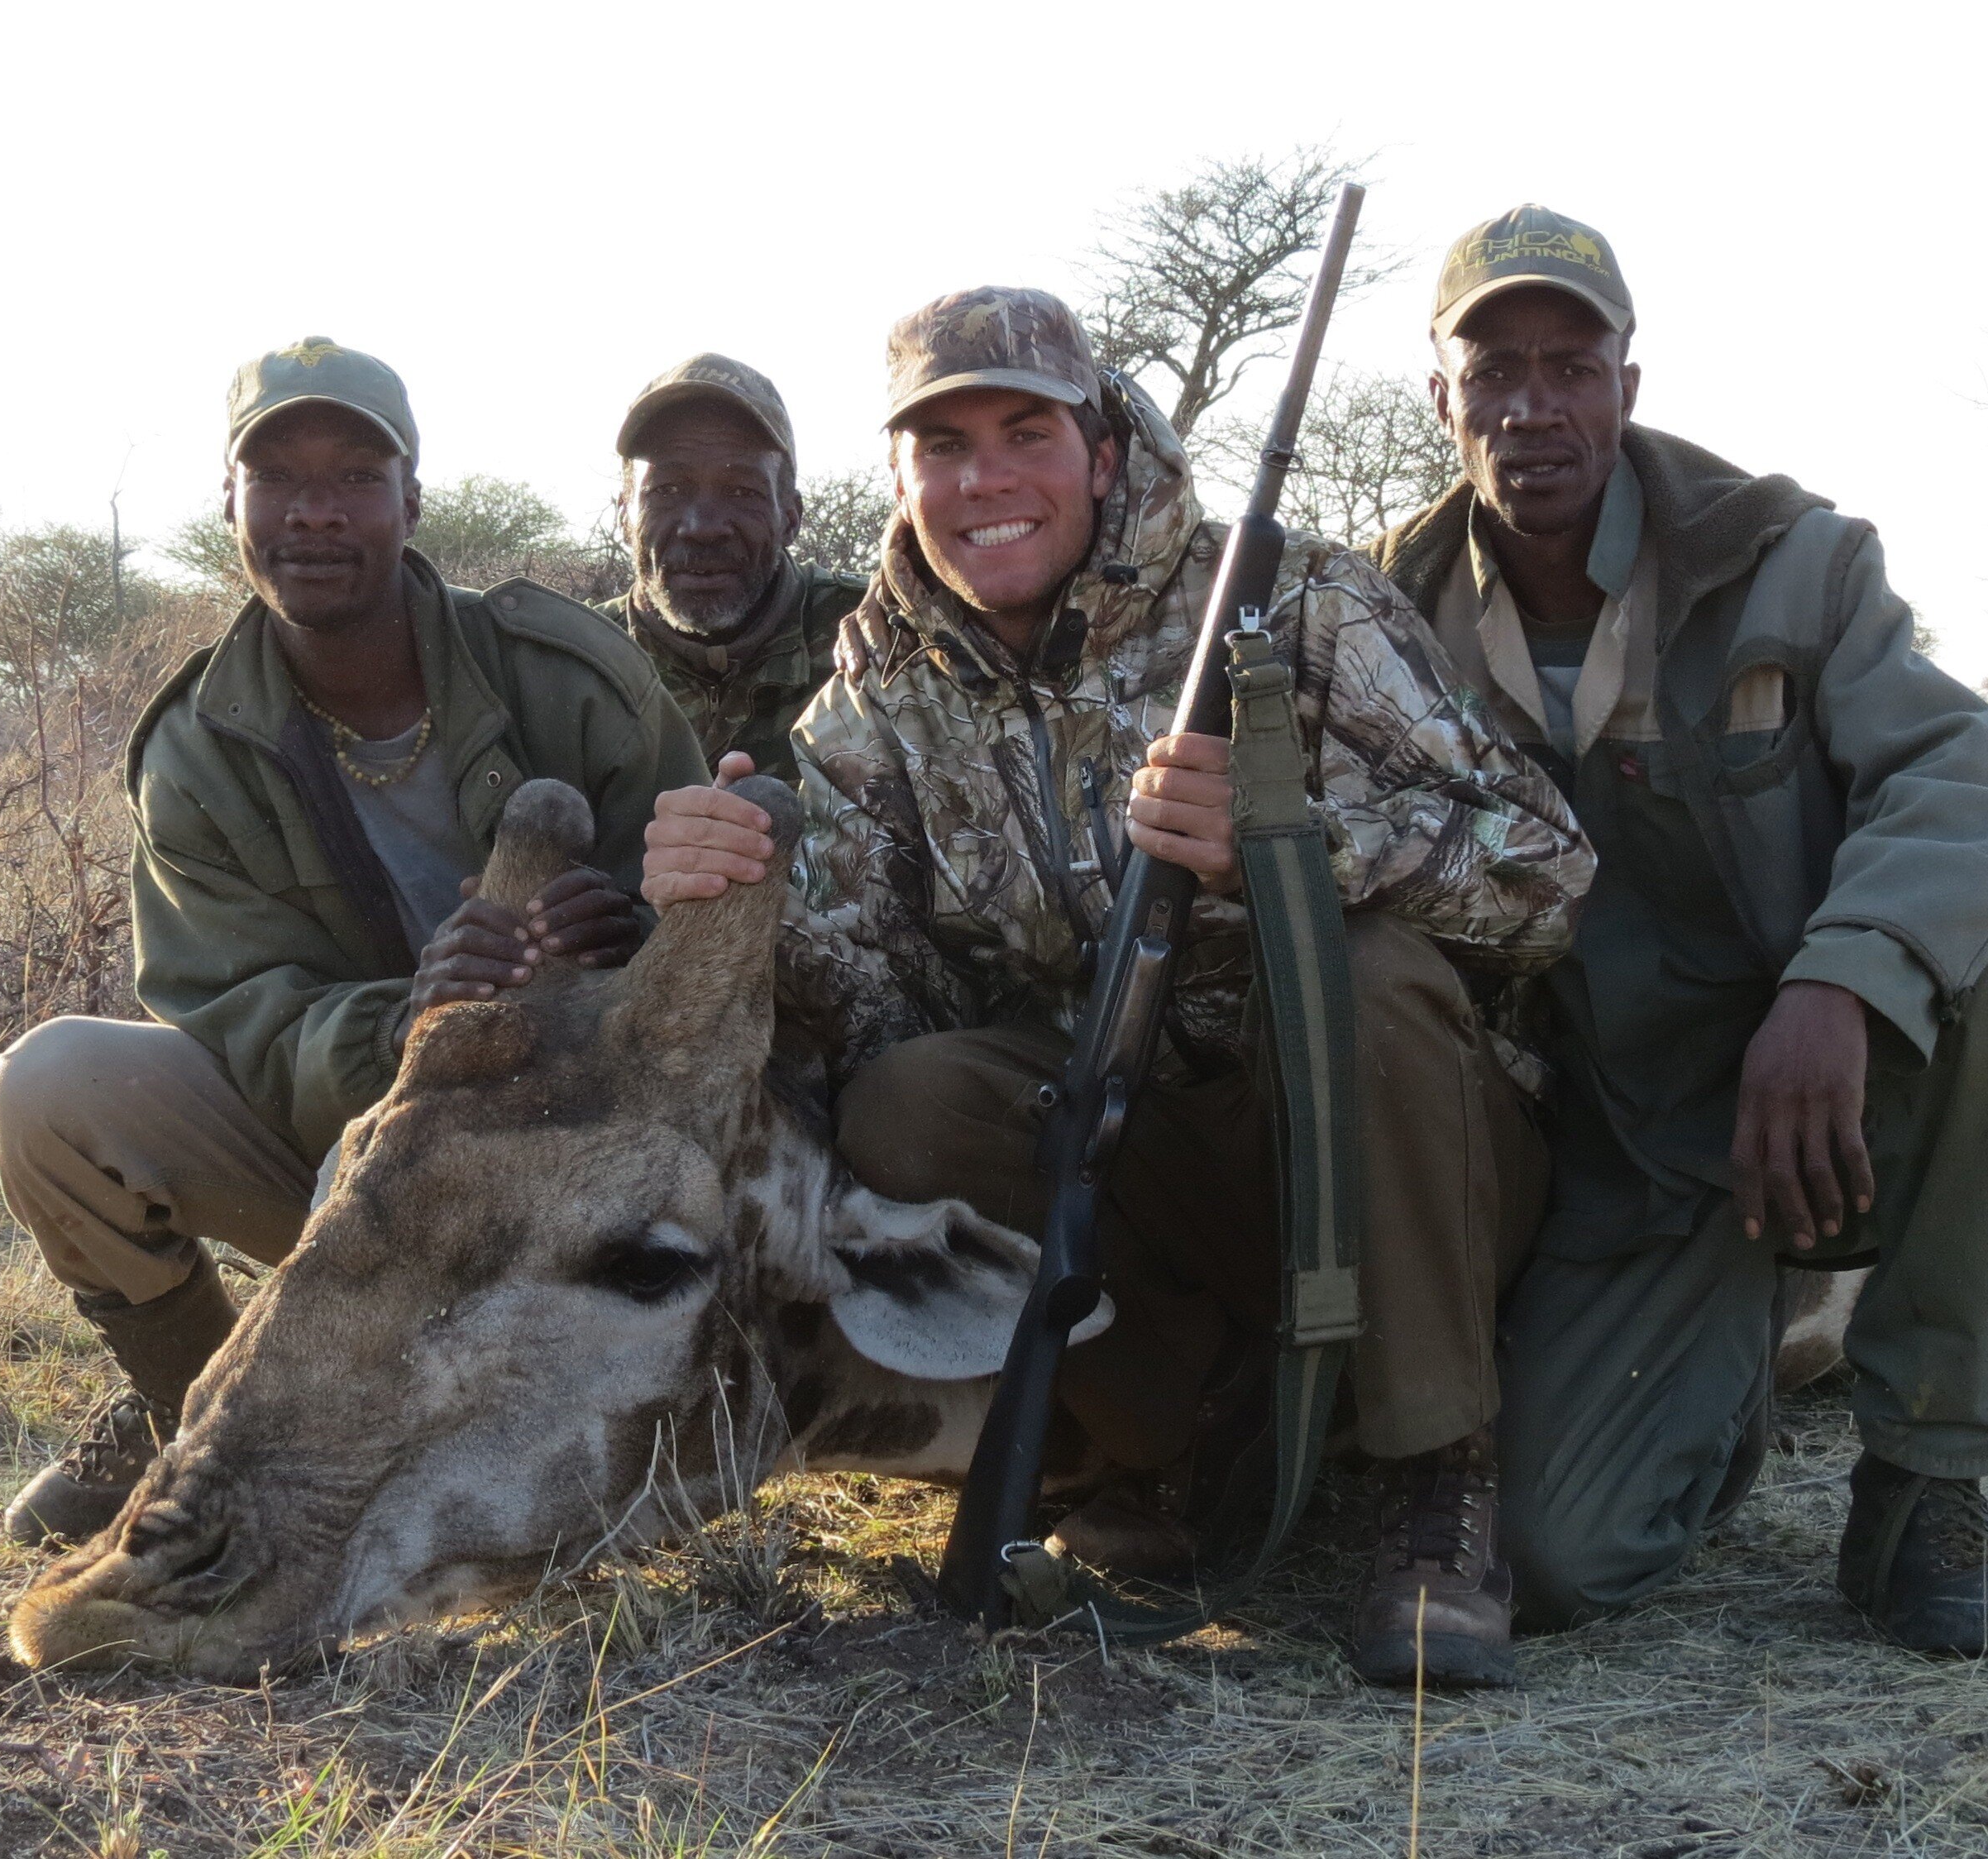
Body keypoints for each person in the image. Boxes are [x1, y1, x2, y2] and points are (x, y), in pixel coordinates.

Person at [644, 287, 1592, 1688]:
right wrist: (749, 904)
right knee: (912, 1104)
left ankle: (1435, 1476)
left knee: (1373, 977)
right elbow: (882, 1007)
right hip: (1135, 1154)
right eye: (945, 445)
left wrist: (1295, 852)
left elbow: (1548, 870)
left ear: (1098, 446)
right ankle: (1179, 1441)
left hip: (1390, 1146)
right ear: (902, 472)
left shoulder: (1301, 601)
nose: (988, 481)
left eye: (1025, 431)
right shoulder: (871, 692)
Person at [1366, 208, 1988, 1656]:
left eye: (1571, 364)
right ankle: (1709, 1369)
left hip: (1825, 1076)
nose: (1532, 406)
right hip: (1616, 1139)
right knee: (1556, 1558)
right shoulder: (1381, 608)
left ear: (1629, 380)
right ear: (1442, 396)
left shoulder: (1793, 562)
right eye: (1494, 370)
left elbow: (1960, 784)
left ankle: (1927, 1481)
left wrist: (1841, 988)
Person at [0, 337, 707, 1546]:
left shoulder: (570, 676)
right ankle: (206, 1416)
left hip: (585, 1160)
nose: (313, 512)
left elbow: (715, 912)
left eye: (353, 477)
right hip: (359, 1156)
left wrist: (628, 948)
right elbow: (240, 1016)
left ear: (411, 500)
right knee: (53, 1089)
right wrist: (408, 1021)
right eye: (277, 480)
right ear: (231, 505)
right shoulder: (196, 746)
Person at [595, 355, 866, 782]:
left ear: (791, 518)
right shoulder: (577, 662)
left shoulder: (880, 636)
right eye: (666, 490)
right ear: (624, 515)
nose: (702, 529)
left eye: (742, 490)